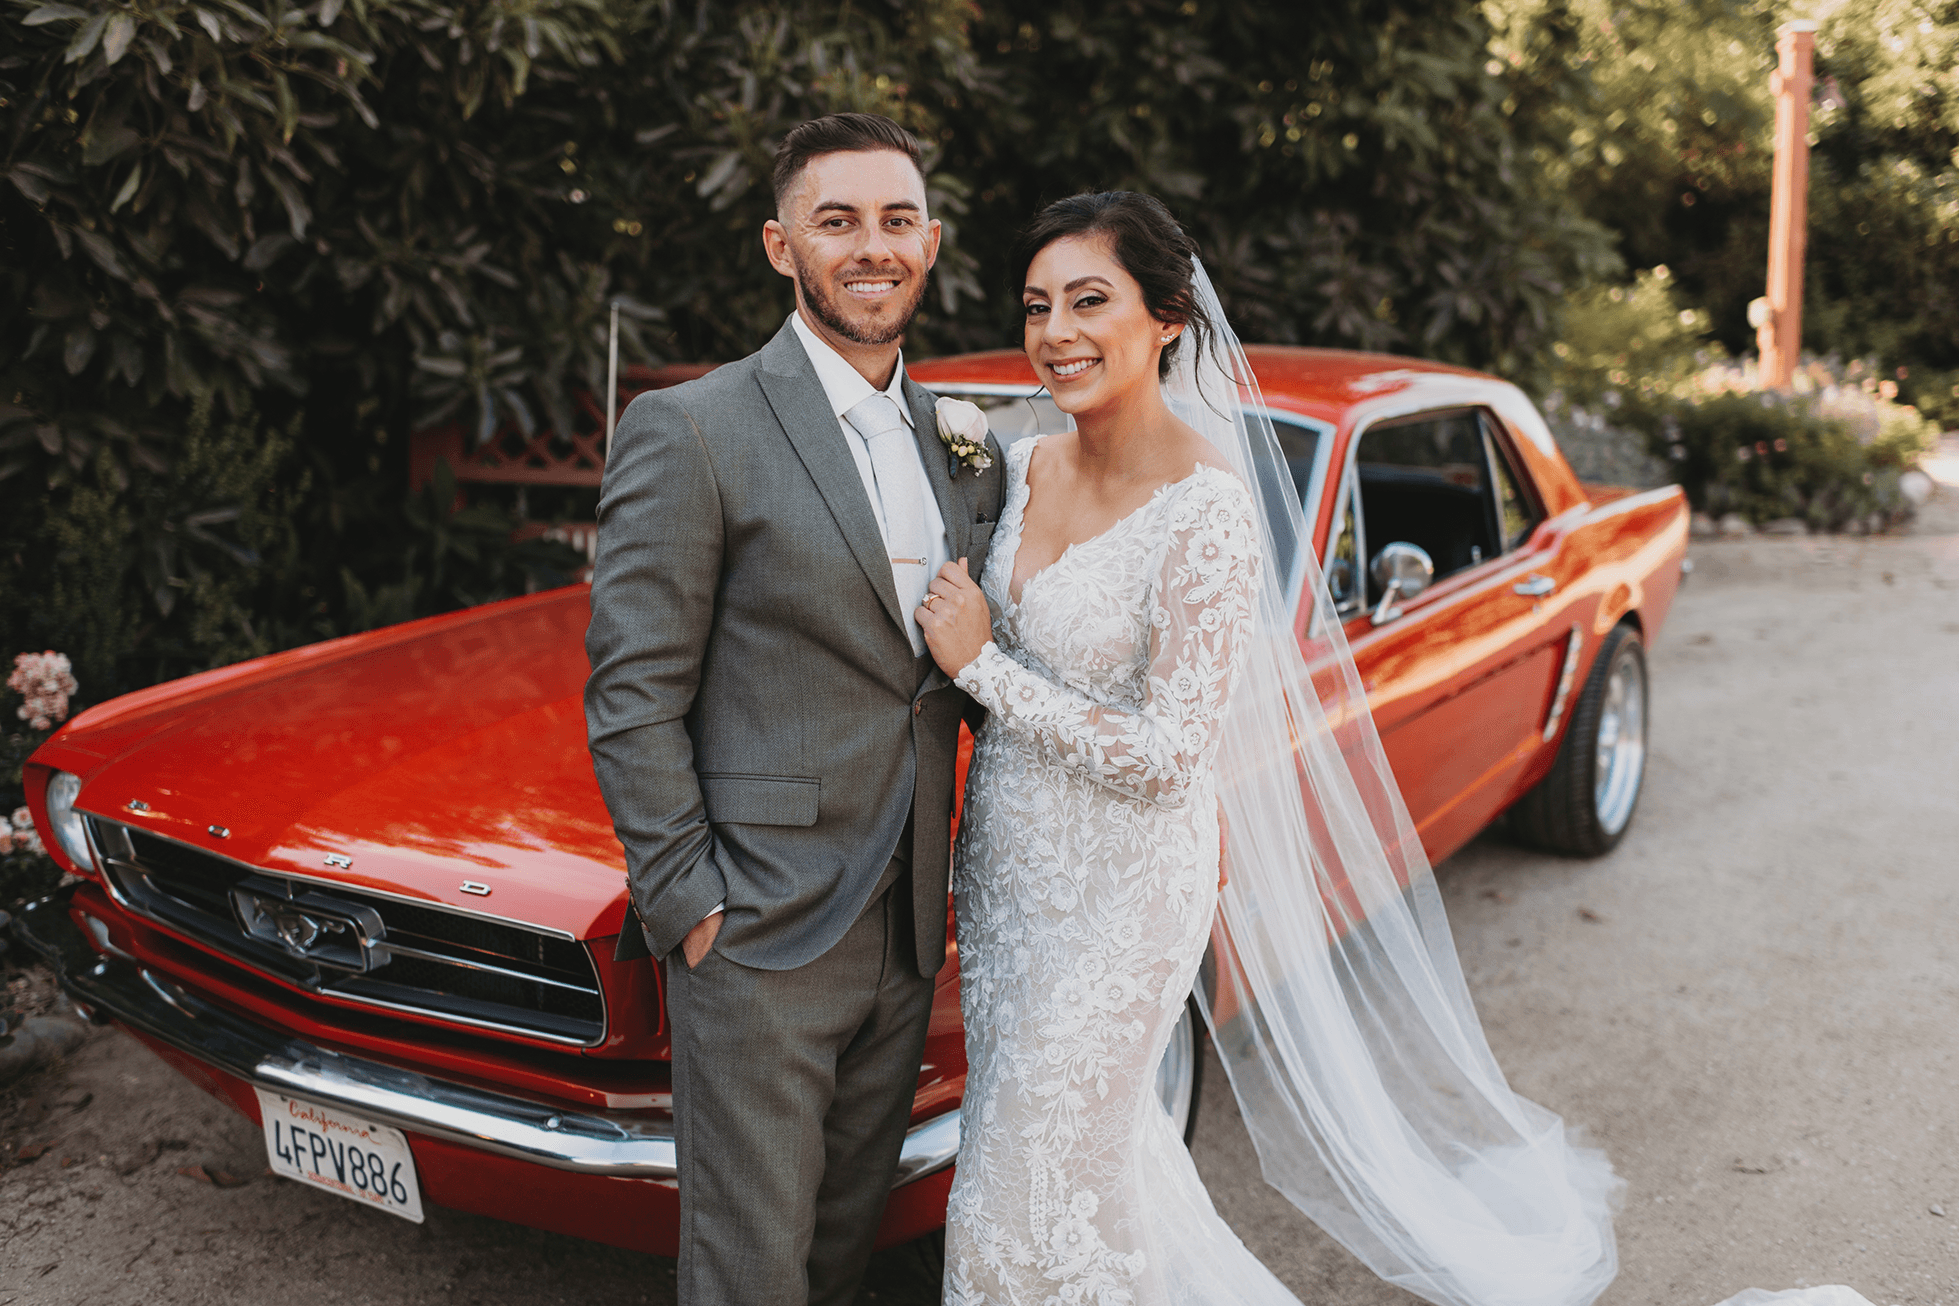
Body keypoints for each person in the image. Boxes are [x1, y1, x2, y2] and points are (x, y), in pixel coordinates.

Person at [913, 192, 1626, 1306]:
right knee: (1095, 1173)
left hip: (1128, 885)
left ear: (1166, 321)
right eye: (1037, 304)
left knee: (1010, 1189)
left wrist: (981, 668)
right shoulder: (1025, 464)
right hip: (1008, 877)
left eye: (1090, 300)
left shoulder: (1208, 506)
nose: (1055, 330)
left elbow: (1168, 751)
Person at [583, 112, 1004, 1306]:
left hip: (909, 929)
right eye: (837, 221)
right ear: (782, 246)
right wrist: (692, 904)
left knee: (840, 1252)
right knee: (749, 1270)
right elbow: (631, 689)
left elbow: (959, 669)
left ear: (931, 240)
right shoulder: (694, 427)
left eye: (895, 219)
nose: (872, 246)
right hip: (758, 931)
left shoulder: (966, 446)